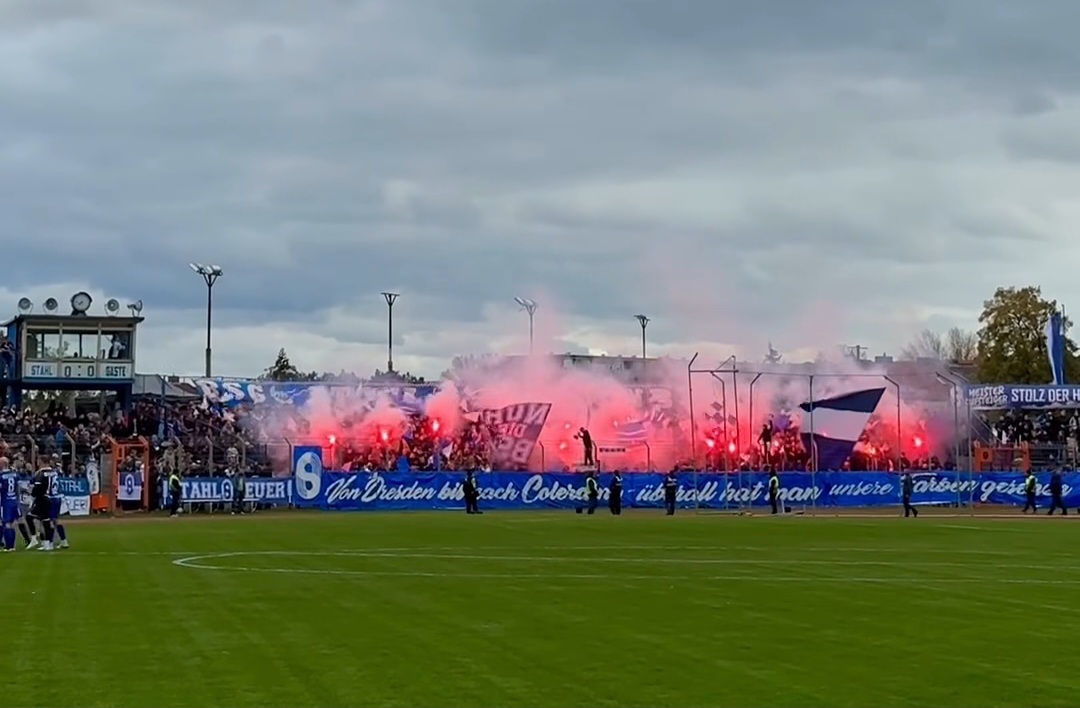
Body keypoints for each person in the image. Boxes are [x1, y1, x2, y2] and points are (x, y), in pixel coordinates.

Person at [43, 459, 69, 549]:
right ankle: (63, 541)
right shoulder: (58, 473)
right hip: (58, 498)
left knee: (50, 520)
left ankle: (50, 543)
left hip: (51, 498)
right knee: (55, 520)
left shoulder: (47, 473)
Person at [29, 469, 53, 551]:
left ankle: (37, 539)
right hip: (48, 499)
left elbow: (36, 490)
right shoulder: (51, 475)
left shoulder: (41, 477)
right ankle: (47, 543)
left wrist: (32, 495)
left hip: (41, 500)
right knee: (46, 521)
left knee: (31, 518)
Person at [0, 458, 21, 551]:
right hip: (14, 500)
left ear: (2, 464)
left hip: (5, 502)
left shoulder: (1, 476)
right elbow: (18, 488)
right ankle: (12, 546)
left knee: (6, 523)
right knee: (12, 524)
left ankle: (9, 546)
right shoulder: (15, 474)